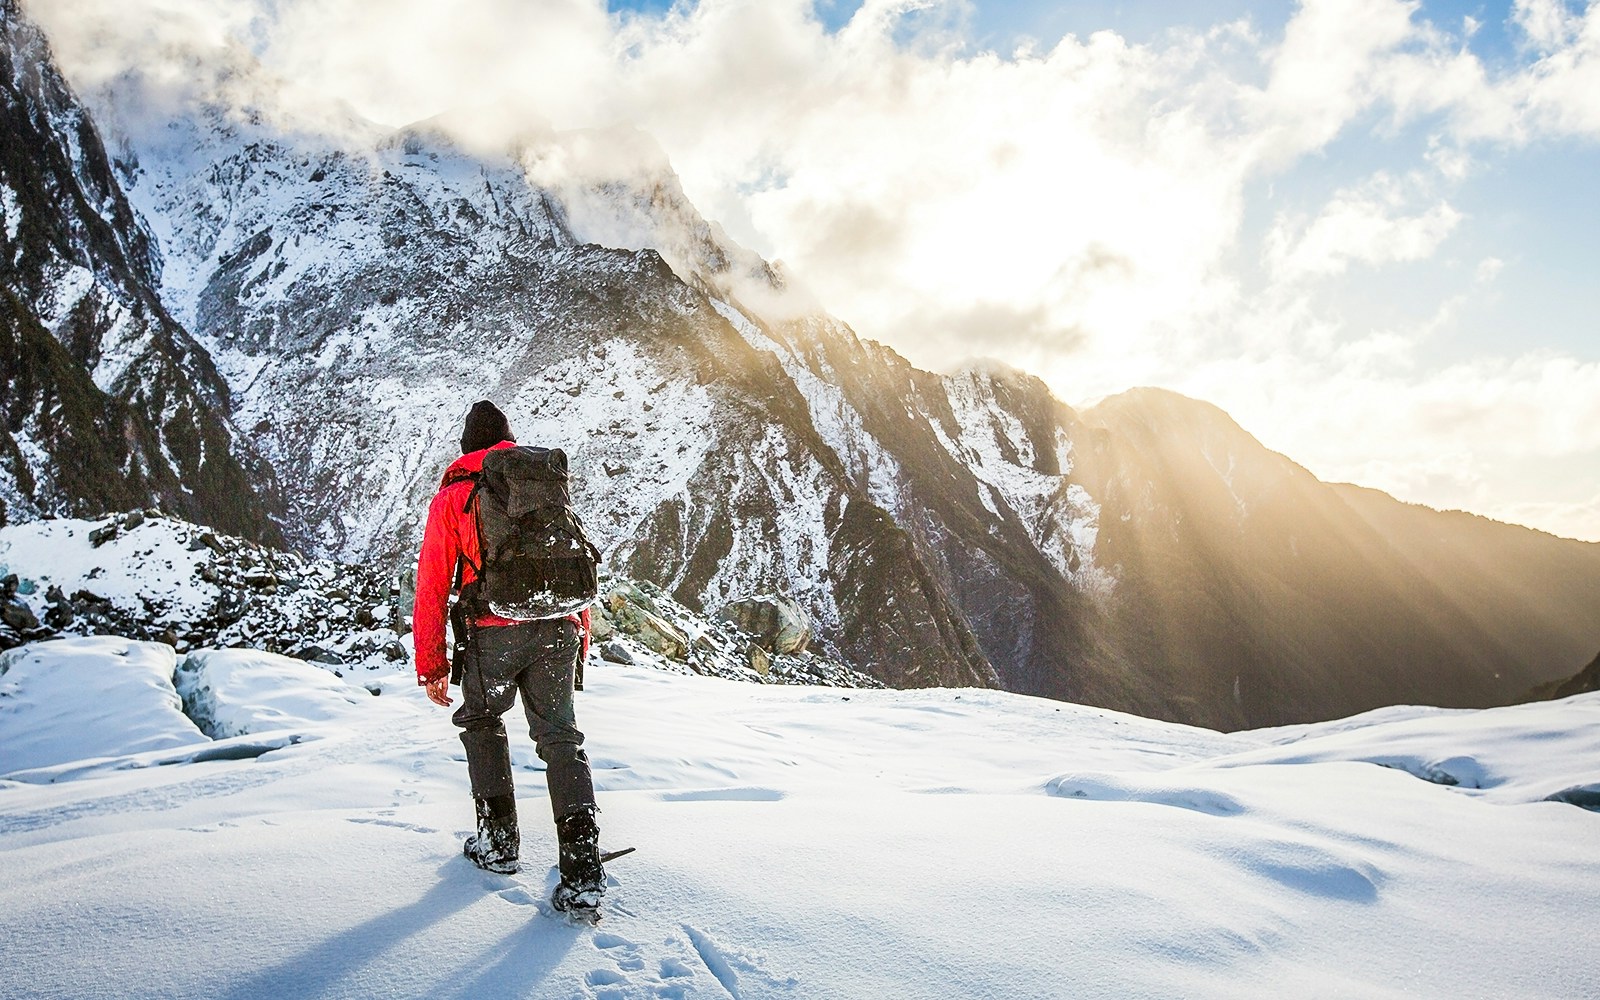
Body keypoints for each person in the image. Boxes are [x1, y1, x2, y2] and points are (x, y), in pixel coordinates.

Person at [413, 400, 605, 912]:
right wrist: (580, 636)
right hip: (559, 627)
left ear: (466, 449)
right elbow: (565, 563)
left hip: (493, 634)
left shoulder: (455, 496)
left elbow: (431, 586)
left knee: (481, 719)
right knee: (561, 737)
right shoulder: (542, 489)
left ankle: (498, 843)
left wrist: (431, 666)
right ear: (508, 441)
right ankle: (583, 868)